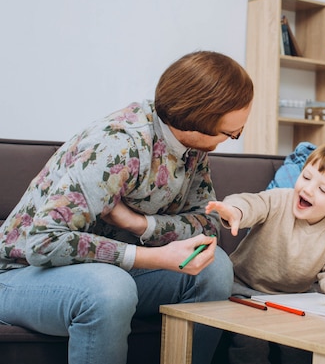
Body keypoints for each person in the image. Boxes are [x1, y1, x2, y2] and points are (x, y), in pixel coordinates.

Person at [0, 50, 253, 364]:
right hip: (23, 275)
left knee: (213, 269)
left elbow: (208, 223)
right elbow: (44, 242)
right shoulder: (119, 144)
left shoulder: (192, 147)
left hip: (112, 269)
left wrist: (140, 225)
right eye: (231, 133)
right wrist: (152, 255)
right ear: (194, 121)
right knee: (110, 288)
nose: (230, 139)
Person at [205, 141, 325, 364]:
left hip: (296, 300)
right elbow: (252, 203)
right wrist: (234, 211)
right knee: (252, 341)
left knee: (302, 345)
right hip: (245, 291)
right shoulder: (279, 199)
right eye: (306, 177)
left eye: (323, 189)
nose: (307, 189)